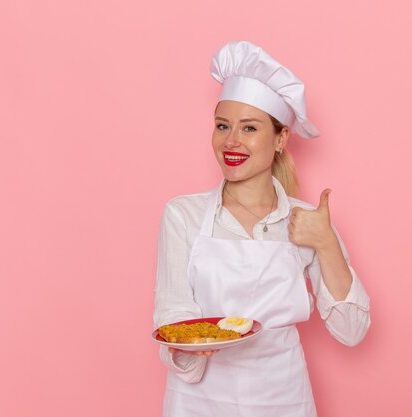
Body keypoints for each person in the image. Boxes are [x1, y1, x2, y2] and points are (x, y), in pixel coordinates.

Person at [153, 40, 371, 417]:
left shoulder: (306, 220)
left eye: (249, 128)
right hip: (200, 401)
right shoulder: (183, 214)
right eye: (223, 126)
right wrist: (185, 348)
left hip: (282, 398)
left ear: (281, 139)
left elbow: (351, 331)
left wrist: (325, 243)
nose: (231, 141)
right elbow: (172, 314)